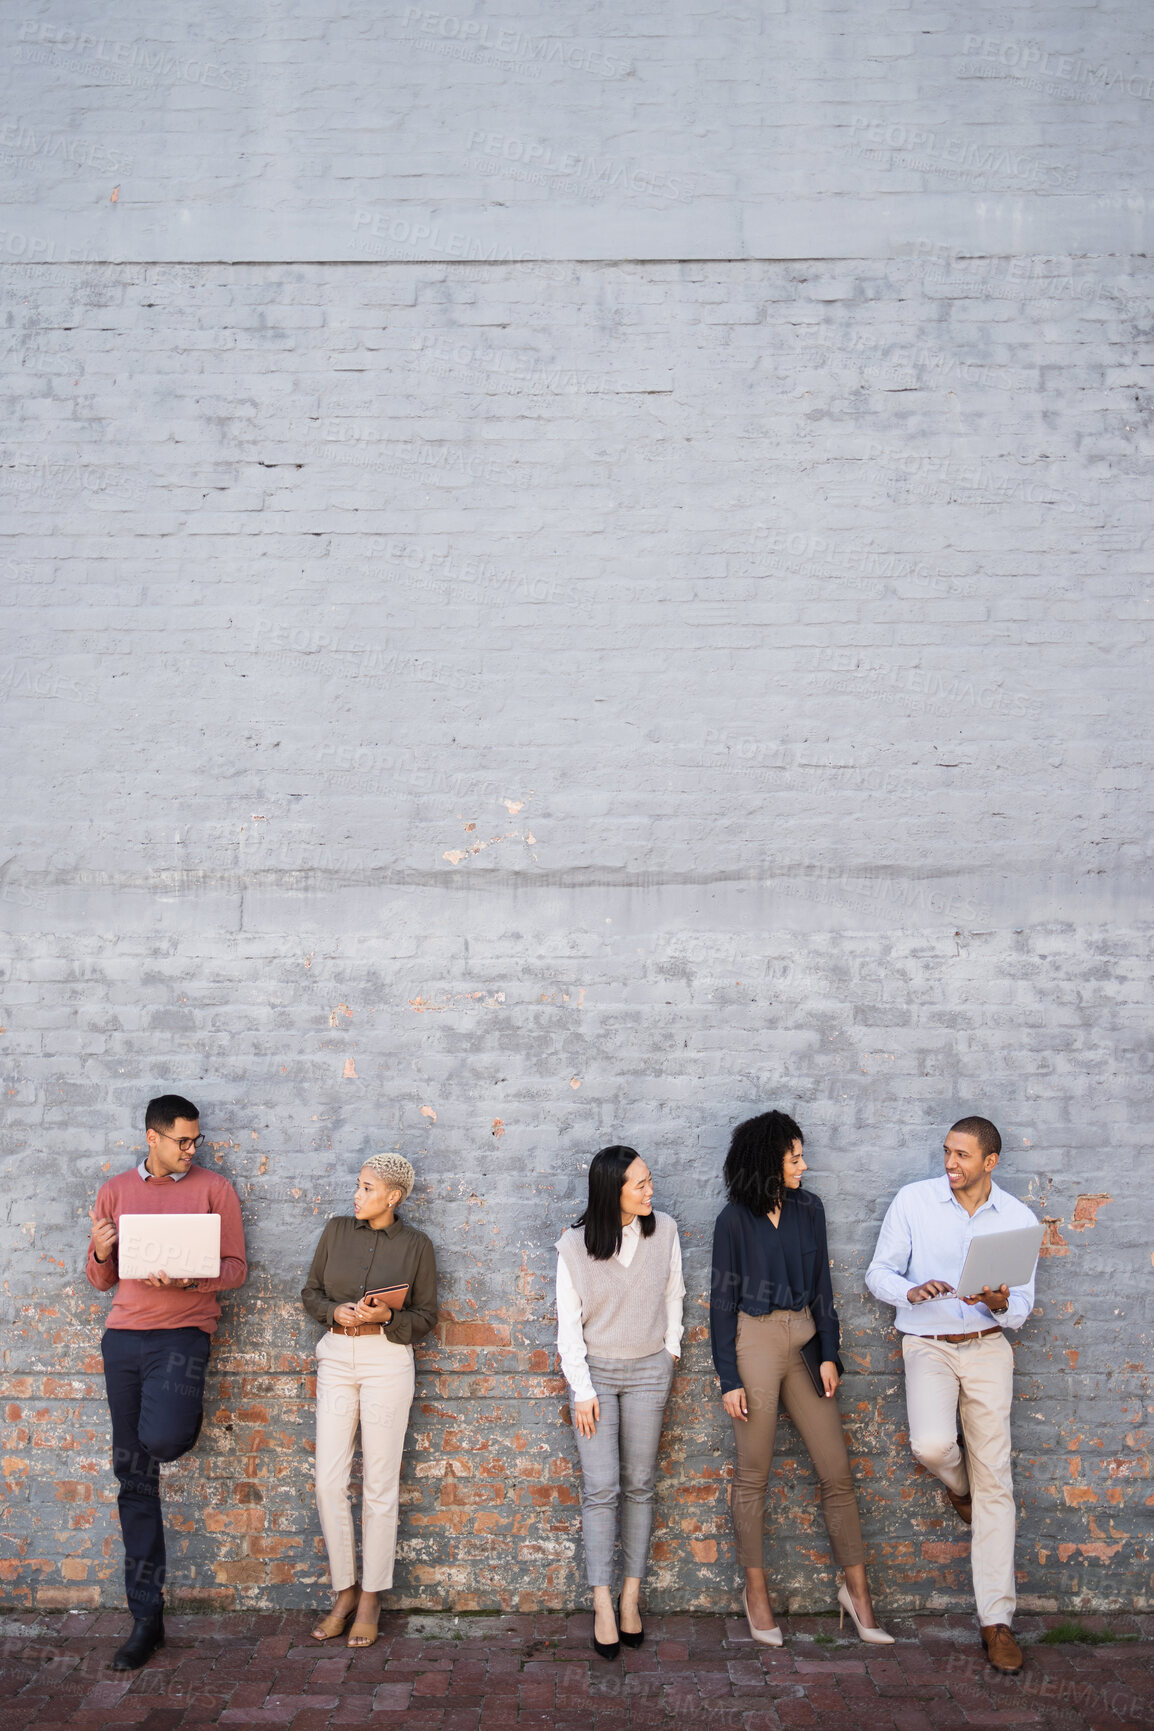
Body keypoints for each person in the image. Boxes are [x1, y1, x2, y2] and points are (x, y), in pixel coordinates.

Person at [710, 1110, 892, 1647]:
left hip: (806, 1341)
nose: (804, 1166)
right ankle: (756, 1593)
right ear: (770, 1160)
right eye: (795, 1158)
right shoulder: (733, 1221)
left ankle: (857, 1596)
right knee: (754, 1474)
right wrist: (728, 1378)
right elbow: (721, 1304)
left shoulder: (811, 1209)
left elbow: (823, 1289)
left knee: (836, 1470)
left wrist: (830, 1352)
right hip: (755, 1342)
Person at [866, 1115, 1038, 1676]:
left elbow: (1022, 1308)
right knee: (933, 1446)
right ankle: (959, 1486)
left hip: (988, 1345)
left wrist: (996, 1301)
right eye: (947, 1152)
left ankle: (996, 1621)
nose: (950, 1164)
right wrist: (909, 1290)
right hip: (928, 1344)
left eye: (962, 1156)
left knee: (999, 1482)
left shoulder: (1016, 1218)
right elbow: (877, 1274)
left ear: (989, 1162)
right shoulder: (914, 1202)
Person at [86, 1094, 247, 1671]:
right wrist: (101, 1252)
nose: (192, 1149)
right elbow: (100, 1279)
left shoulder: (214, 1189)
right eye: (183, 1140)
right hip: (124, 1339)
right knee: (133, 1476)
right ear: (151, 1137)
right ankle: (146, 1619)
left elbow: (235, 1269)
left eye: (195, 1141)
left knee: (165, 1441)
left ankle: (179, 1426)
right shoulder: (113, 1191)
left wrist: (187, 1281)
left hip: (182, 1336)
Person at [301, 1153, 438, 1649]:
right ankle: (344, 1590)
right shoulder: (336, 1232)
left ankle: (372, 1596)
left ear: (392, 1197)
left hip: (387, 1361)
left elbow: (426, 1316)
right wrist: (334, 1310)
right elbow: (311, 1292)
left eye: (366, 1188)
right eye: (357, 1186)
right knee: (329, 1482)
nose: (356, 1196)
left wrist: (384, 1319)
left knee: (380, 1484)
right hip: (337, 1356)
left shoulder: (417, 1245)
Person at [556, 1146, 684, 1658]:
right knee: (602, 1487)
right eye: (640, 1185)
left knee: (640, 1484)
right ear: (613, 1192)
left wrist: (670, 1352)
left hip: (650, 1371)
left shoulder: (665, 1232)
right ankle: (602, 1603)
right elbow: (568, 1326)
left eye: (650, 1181)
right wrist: (583, 1390)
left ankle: (631, 1597)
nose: (650, 1191)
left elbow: (675, 1294)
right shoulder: (573, 1246)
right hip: (597, 1377)